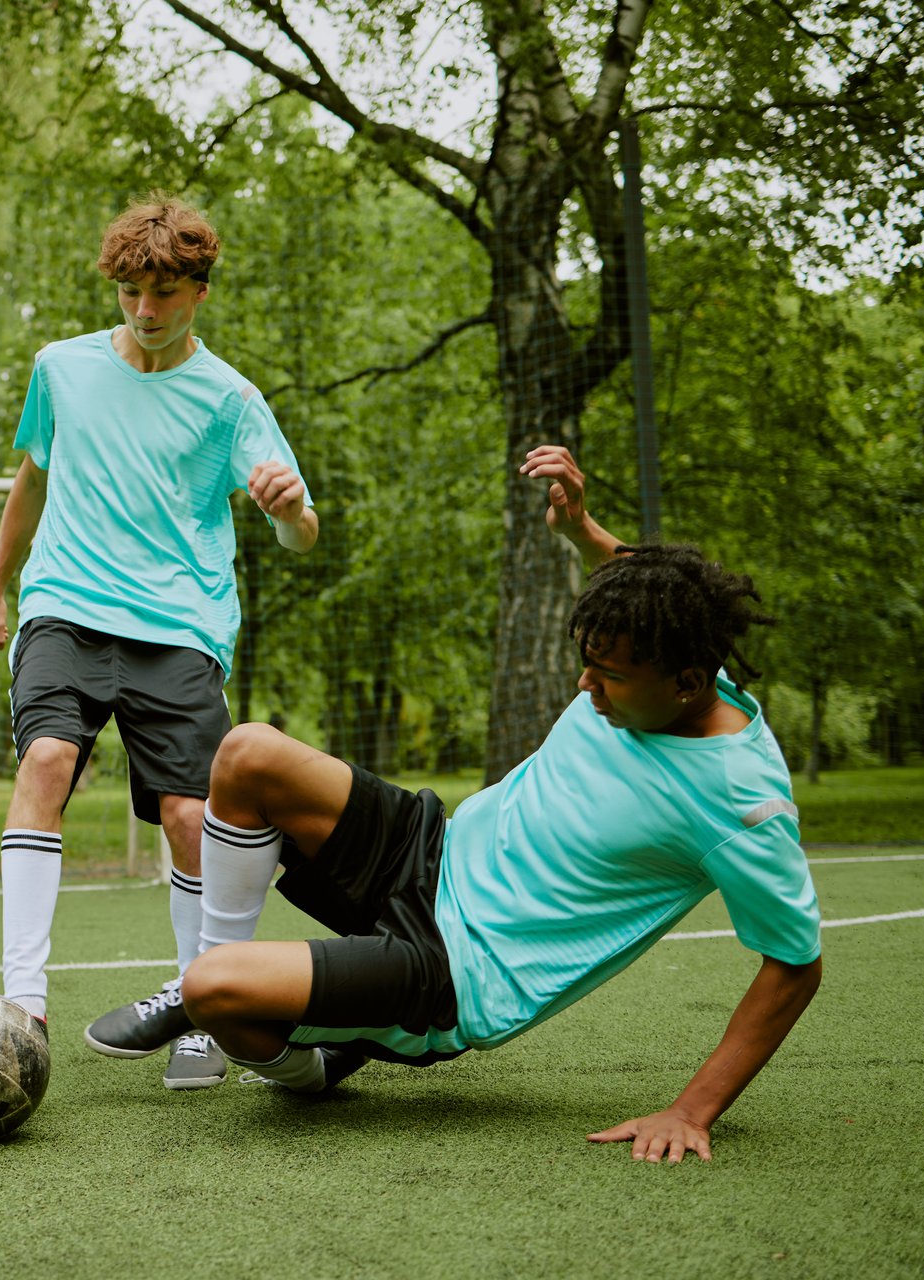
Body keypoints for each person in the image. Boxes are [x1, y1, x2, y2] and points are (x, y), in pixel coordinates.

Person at [152, 446, 822, 1162]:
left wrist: (693, 1110)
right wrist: (580, 526)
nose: (585, 689)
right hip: (435, 848)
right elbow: (647, 585)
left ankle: (312, 1070)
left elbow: (795, 963)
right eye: (586, 664)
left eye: (609, 679)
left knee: (213, 988)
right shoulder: (669, 639)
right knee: (248, 751)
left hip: (455, 966)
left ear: (689, 681)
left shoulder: (742, 802)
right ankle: (217, 1010)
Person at [0, 195, 318, 1090]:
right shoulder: (61, 368)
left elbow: (301, 529)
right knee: (47, 759)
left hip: (179, 624)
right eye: (130, 292)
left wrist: (286, 514)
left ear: (200, 289)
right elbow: (30, 482)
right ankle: (22, 1004)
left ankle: (206, 1001)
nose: (145, 311)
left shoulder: (232, 398)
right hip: (66, 605)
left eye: (164, 292)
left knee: (190, 817)